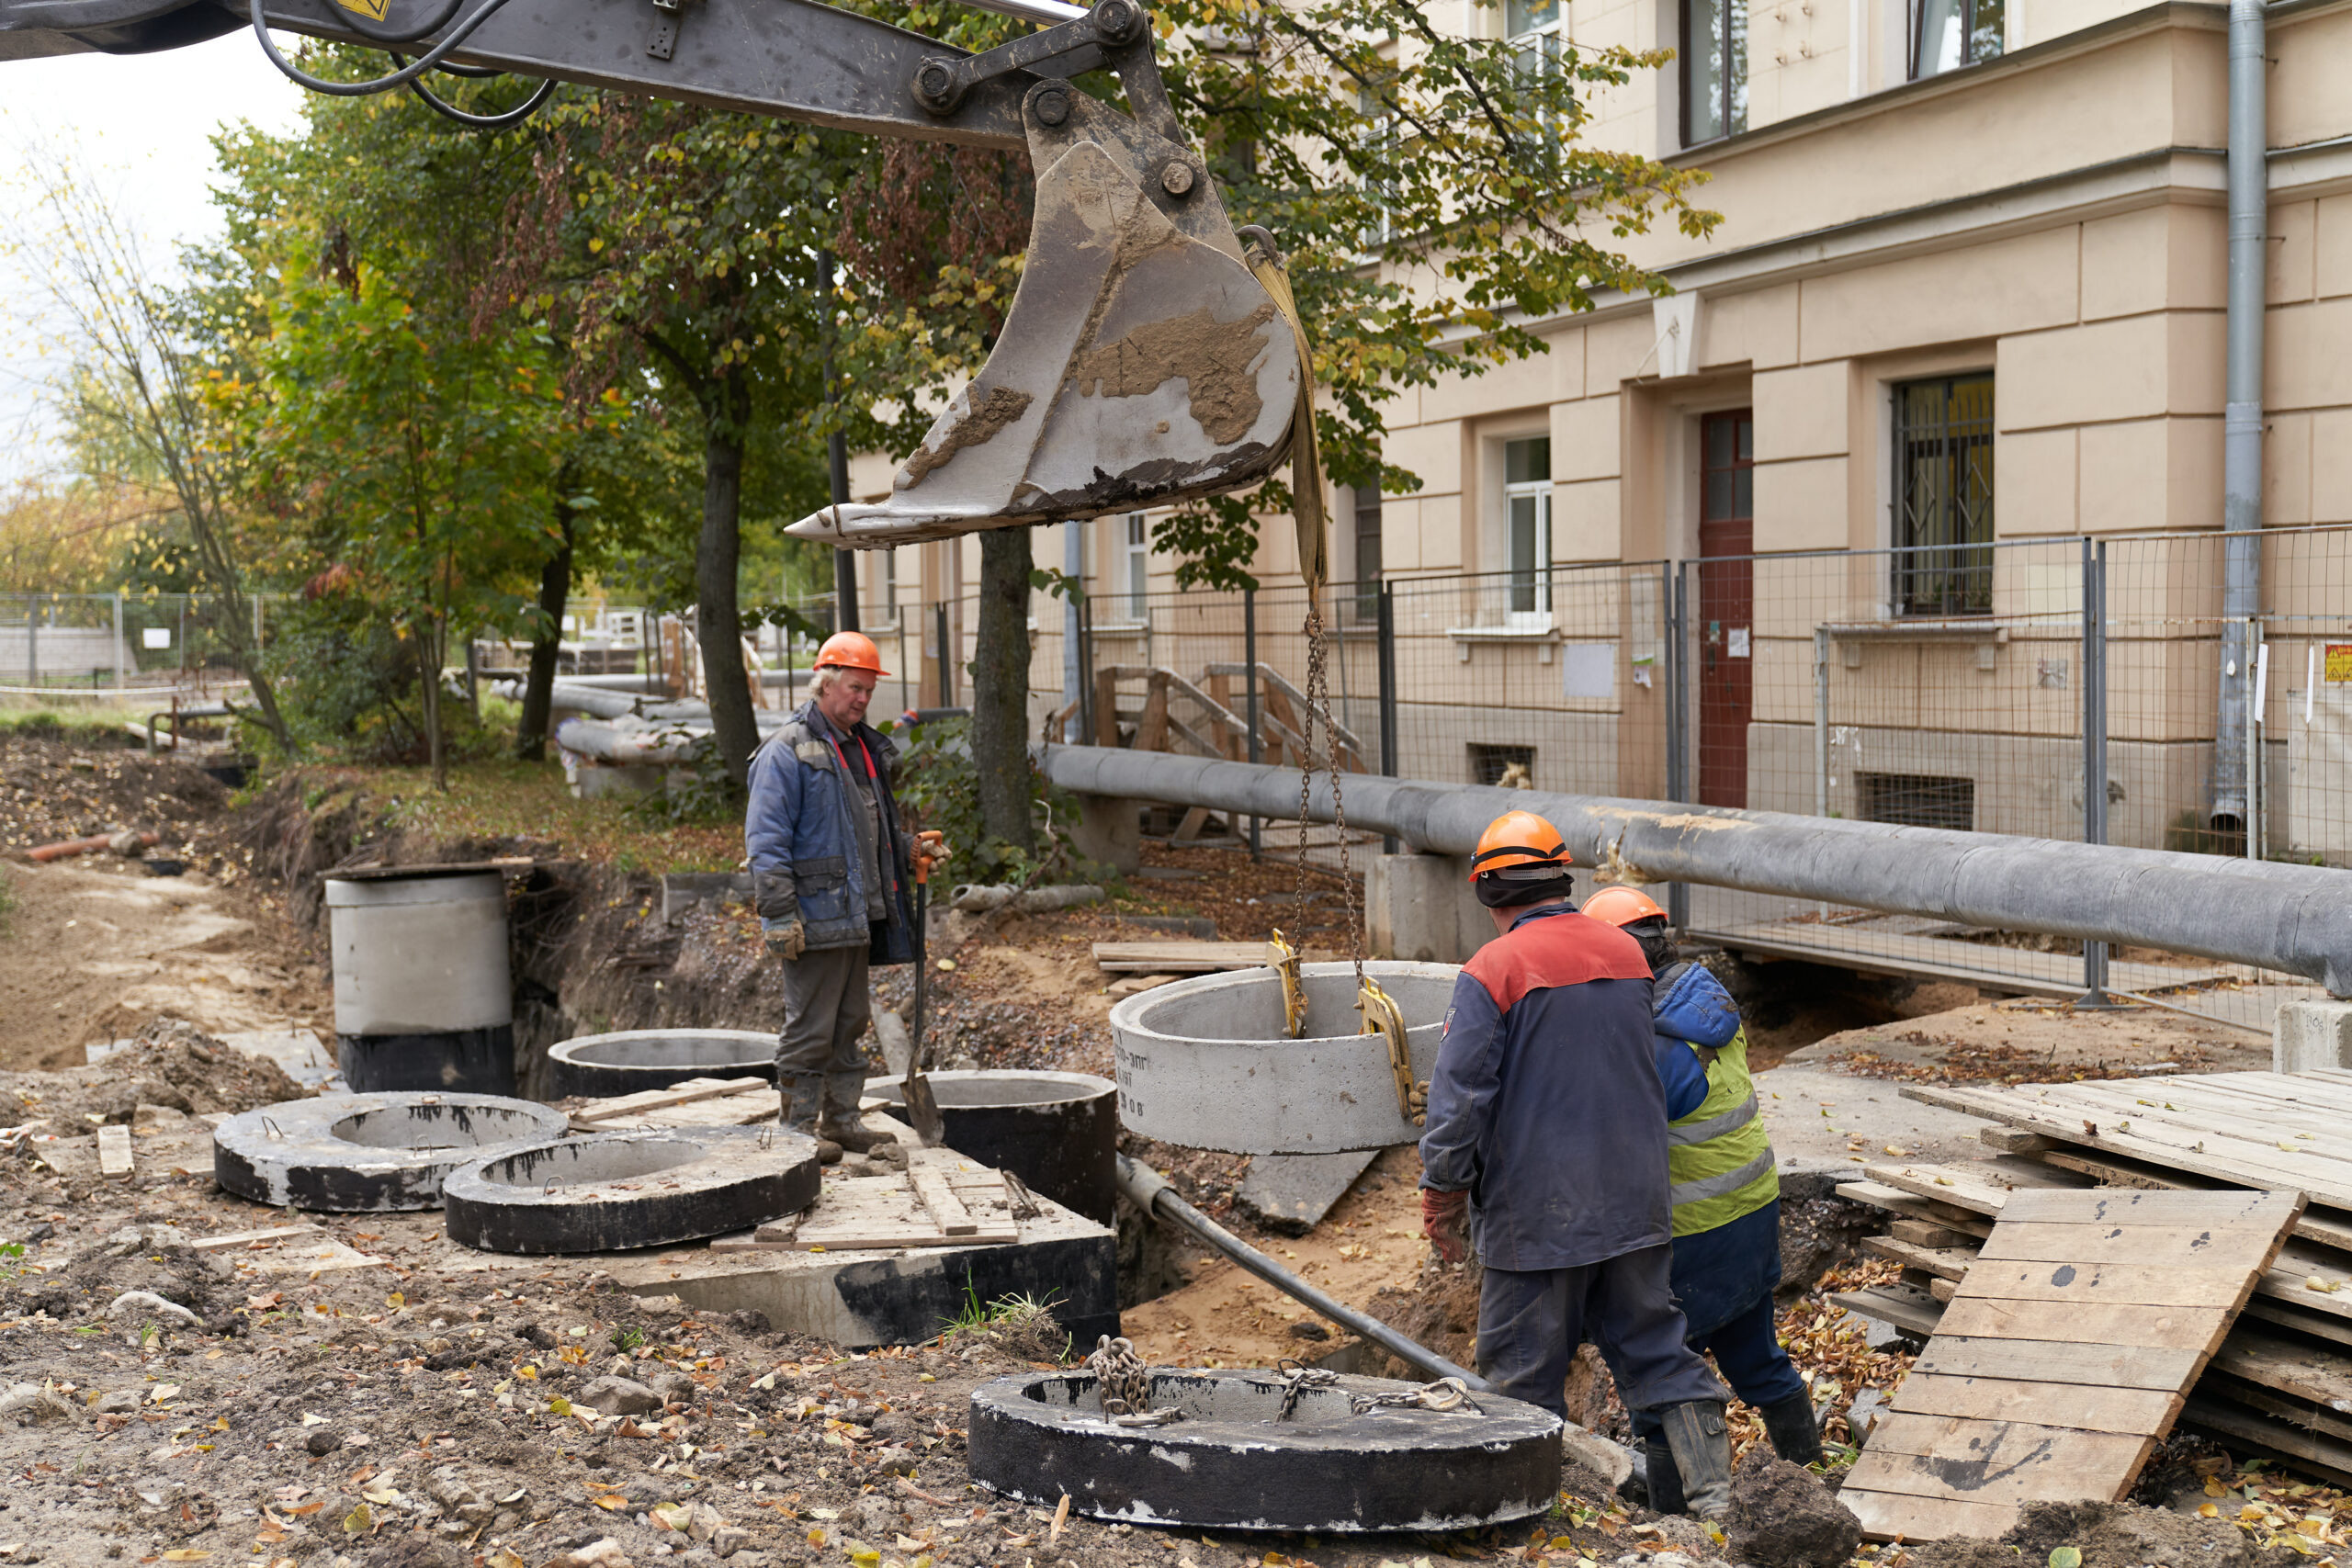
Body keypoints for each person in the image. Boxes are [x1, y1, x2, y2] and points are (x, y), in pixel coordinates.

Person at [1419, 810, 1738, 1520]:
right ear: (1563, 877)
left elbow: (1460, 1100)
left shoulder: (1491, 970)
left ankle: (1528, 1517)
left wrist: (1442, 1192)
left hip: (1536, 1217)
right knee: (1657, 1349)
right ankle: (1717, 1504)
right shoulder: (1627, 957)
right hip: (1635, 1201)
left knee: (1521, 1377)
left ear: (1487, 890)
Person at [1583, 886, 1819, 1514]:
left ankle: (1675, 1520)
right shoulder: (1703, 997)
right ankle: (1814, 1485)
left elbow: (1615, 1131)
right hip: (1751, 1215)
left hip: (1691, 1235)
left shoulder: (1654, 1044)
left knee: (1660, 1380)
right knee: (1758, 1356)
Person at [744, 631, 941, 1162]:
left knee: (850, 1021)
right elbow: (765, 842)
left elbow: (862, 831)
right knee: (810, 1026)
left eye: (868, 690)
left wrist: (907, 848)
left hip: (855, 914)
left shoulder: (859, 748)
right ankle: (799, 1129)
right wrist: (780, 914)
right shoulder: (786, 750)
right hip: (812, 915)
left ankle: (843, 1120)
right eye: (854, 687)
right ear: (825, 683)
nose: (862, 698)